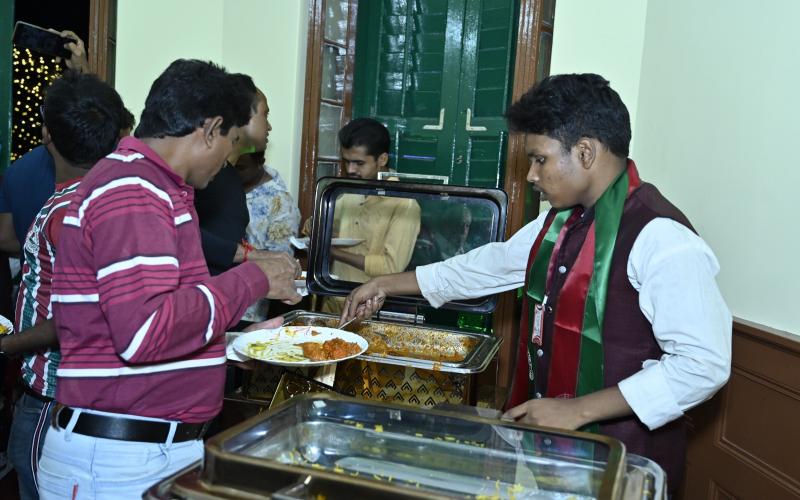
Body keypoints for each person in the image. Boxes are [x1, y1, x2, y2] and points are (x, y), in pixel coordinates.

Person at [338, 74, 732, 493]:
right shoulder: (561, 222)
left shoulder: (660, 236)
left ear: (585, 152)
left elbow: (703, 365)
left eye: (540, 159)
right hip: (556, 461)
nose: (530, 175)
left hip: (625, 467)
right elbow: (490, 266)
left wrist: (578, 410)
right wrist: (386, 283)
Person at [37, 59, 301, 499]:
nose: (230, 158)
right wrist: (253, 279)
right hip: (119, 458)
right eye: (232, 142)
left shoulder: (154, 186)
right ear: (210, 129)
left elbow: (153, 316)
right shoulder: (132, 190)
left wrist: (228, 344)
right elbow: (144, 332)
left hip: (144, 450)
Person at [0, 70, 128, 500]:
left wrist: (6, 345)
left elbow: (76, 316)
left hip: (53, 395)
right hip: (78, 393)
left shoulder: (69, 211)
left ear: (46, 134)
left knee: (39, 483)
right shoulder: (100, 198)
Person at [304, 118, 421, 314]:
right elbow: (320, 223)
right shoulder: (348, 191)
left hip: (371, 310)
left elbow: (390, 267)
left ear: (382, 160)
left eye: (359, 163)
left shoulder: (404, 204)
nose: (350, 170)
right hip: (333, 302)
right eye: (346, 161)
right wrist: (316, 227)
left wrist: (335, 253)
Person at [0, 31, 91, 256]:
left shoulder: (16, 171)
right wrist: (83, 69)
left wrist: (37, 253)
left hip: (34, 274)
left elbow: (5, 239)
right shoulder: (96, 166)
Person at [195, 76, 276, 276]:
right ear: (243, 116)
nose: (269, 126)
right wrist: (248, 255)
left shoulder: (229, 174)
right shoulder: (202, 173)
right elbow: (184, 234)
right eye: (265, 115)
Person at [234, 149, 301, 322]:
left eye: (240, 167)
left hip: (249, 309)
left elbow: (279, 263)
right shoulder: (224, 187)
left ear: (259, 163)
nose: (233, 171)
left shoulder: (281, 203)